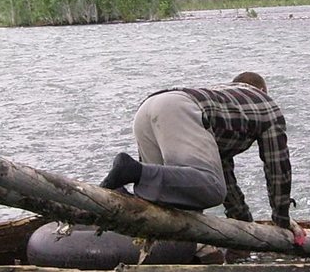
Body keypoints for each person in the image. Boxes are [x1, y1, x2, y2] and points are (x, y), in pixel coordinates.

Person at [100, 72, 293, 229]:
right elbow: (278, 168)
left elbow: (225, 176)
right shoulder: (267, 105)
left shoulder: (224, 98)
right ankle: (133, 171)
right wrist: (282, 220)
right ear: (261, 89)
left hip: (148, 108)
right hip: (180, 109)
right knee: (213, 190)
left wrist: (242, 222)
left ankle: (120, 195)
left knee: (168, 201)